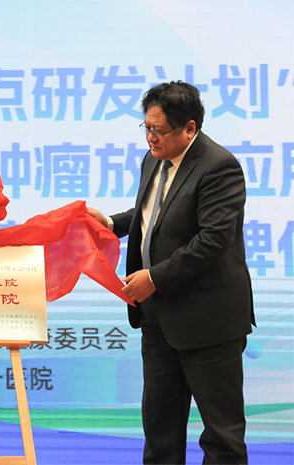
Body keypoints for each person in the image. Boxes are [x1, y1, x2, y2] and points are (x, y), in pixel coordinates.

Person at [87, 81, 255, 464]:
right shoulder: (155, 158)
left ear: (189, 128)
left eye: (158, 130)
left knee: (222, 436)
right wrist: (111, 223)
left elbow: (213, 241)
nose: (150, 138)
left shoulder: (219, 167)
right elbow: (153, 215)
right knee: (160, 432)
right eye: (146, 127)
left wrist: (154, 278)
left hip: (209, 321)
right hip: (158, 317)